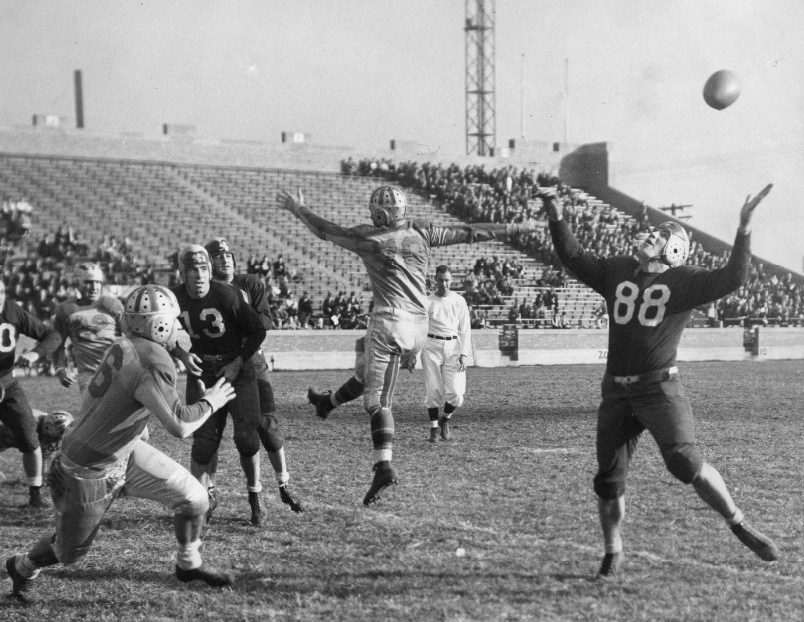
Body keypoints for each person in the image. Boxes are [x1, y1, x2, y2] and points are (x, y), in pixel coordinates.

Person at [542, 183, 778, 578]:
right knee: (609, 480)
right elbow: (573, 256)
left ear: (673, 249)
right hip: (617, 390)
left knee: (685, 461)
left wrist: (744, 227)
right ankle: (612, 550)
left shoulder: (684, 280)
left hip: (659, 387)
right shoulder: (616, 270)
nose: (646, 236)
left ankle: (738, 522)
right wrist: (556, 214)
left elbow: (734, 277)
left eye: (657, 235)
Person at [280, 185, 537, 505]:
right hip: (419, 328)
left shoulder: (368, 238)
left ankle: (383, 465)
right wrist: (513, 228)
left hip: (389, 323)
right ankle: (327, 403)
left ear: (380, 213)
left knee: (377, 402)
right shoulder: (423, 232)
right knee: (365, 370)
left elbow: (325, 231)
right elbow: (470, 233)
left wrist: (298, 209)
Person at [4, 285, 237, 603]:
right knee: (68, 552)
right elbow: (180, 424)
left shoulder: (124, 343)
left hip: (121, 451)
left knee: (195, 499)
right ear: (160, 324)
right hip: (86, 471)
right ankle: (23, 567)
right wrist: (211, 401)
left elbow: (108, 397)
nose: (178, 326)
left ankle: (188, 564)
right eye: (173, 320)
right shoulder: (153, 360)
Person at [203, 237, 303, 514]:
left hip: (252, 363)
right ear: (208, 262)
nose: (224, 259)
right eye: (218, 256)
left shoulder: (250, 284)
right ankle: (220, 493)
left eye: (228, 255)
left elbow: (266, 321)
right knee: (214, 434)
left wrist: (242, 323)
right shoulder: (203, 291)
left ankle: (284, 485)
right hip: (217, 367)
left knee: (267, 428)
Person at [171, 245, 269, 525]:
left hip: (237, 368)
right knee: (203, 442)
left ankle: (255, 497)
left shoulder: (226, 293)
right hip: (202, 369)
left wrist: (238, 362)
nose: (199, 276)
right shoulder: (174, 298)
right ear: (183, 273)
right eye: (193, 270)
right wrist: (181, 354)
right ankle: (204, 498)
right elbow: (156, 329)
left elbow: (257, 330)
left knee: (246, 439)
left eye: (203, 269)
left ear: (210, 271)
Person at [0, 278, 62, 508]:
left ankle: (35, 495)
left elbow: (52, 335)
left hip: (7, 381)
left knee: (29, 435)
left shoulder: (12, 310)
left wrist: (36, 354)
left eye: (1, 291)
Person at [53, 262, 124, 394]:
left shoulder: (113, 304)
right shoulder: (66, 309)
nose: (94, 287)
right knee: (95, 412)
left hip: (120, 371)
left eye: (98, 282)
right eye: (89, 282)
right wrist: (60, 369)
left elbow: (132, 335)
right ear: (77, 283)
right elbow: (57, 344)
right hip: (89, 375)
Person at [422, 265, 471, 442]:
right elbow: (420, 327)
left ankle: (445, 420)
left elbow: (465, 329)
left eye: (447, 280)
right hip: (431, 346)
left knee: (457, 393)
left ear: (452, 280)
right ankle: (434, 428)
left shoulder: (459, 301)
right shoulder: (428, 301)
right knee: (434, 389)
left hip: (453, 347)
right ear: (436, 280)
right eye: (441, 280)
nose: (444, 284)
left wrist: (464, 354)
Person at [0, 409, 74, 478]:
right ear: (47, 427)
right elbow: (30, 453)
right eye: (56, 437)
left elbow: (44, 456)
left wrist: (42, 477)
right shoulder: (28, 425)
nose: (56, 440)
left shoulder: (45, 425)